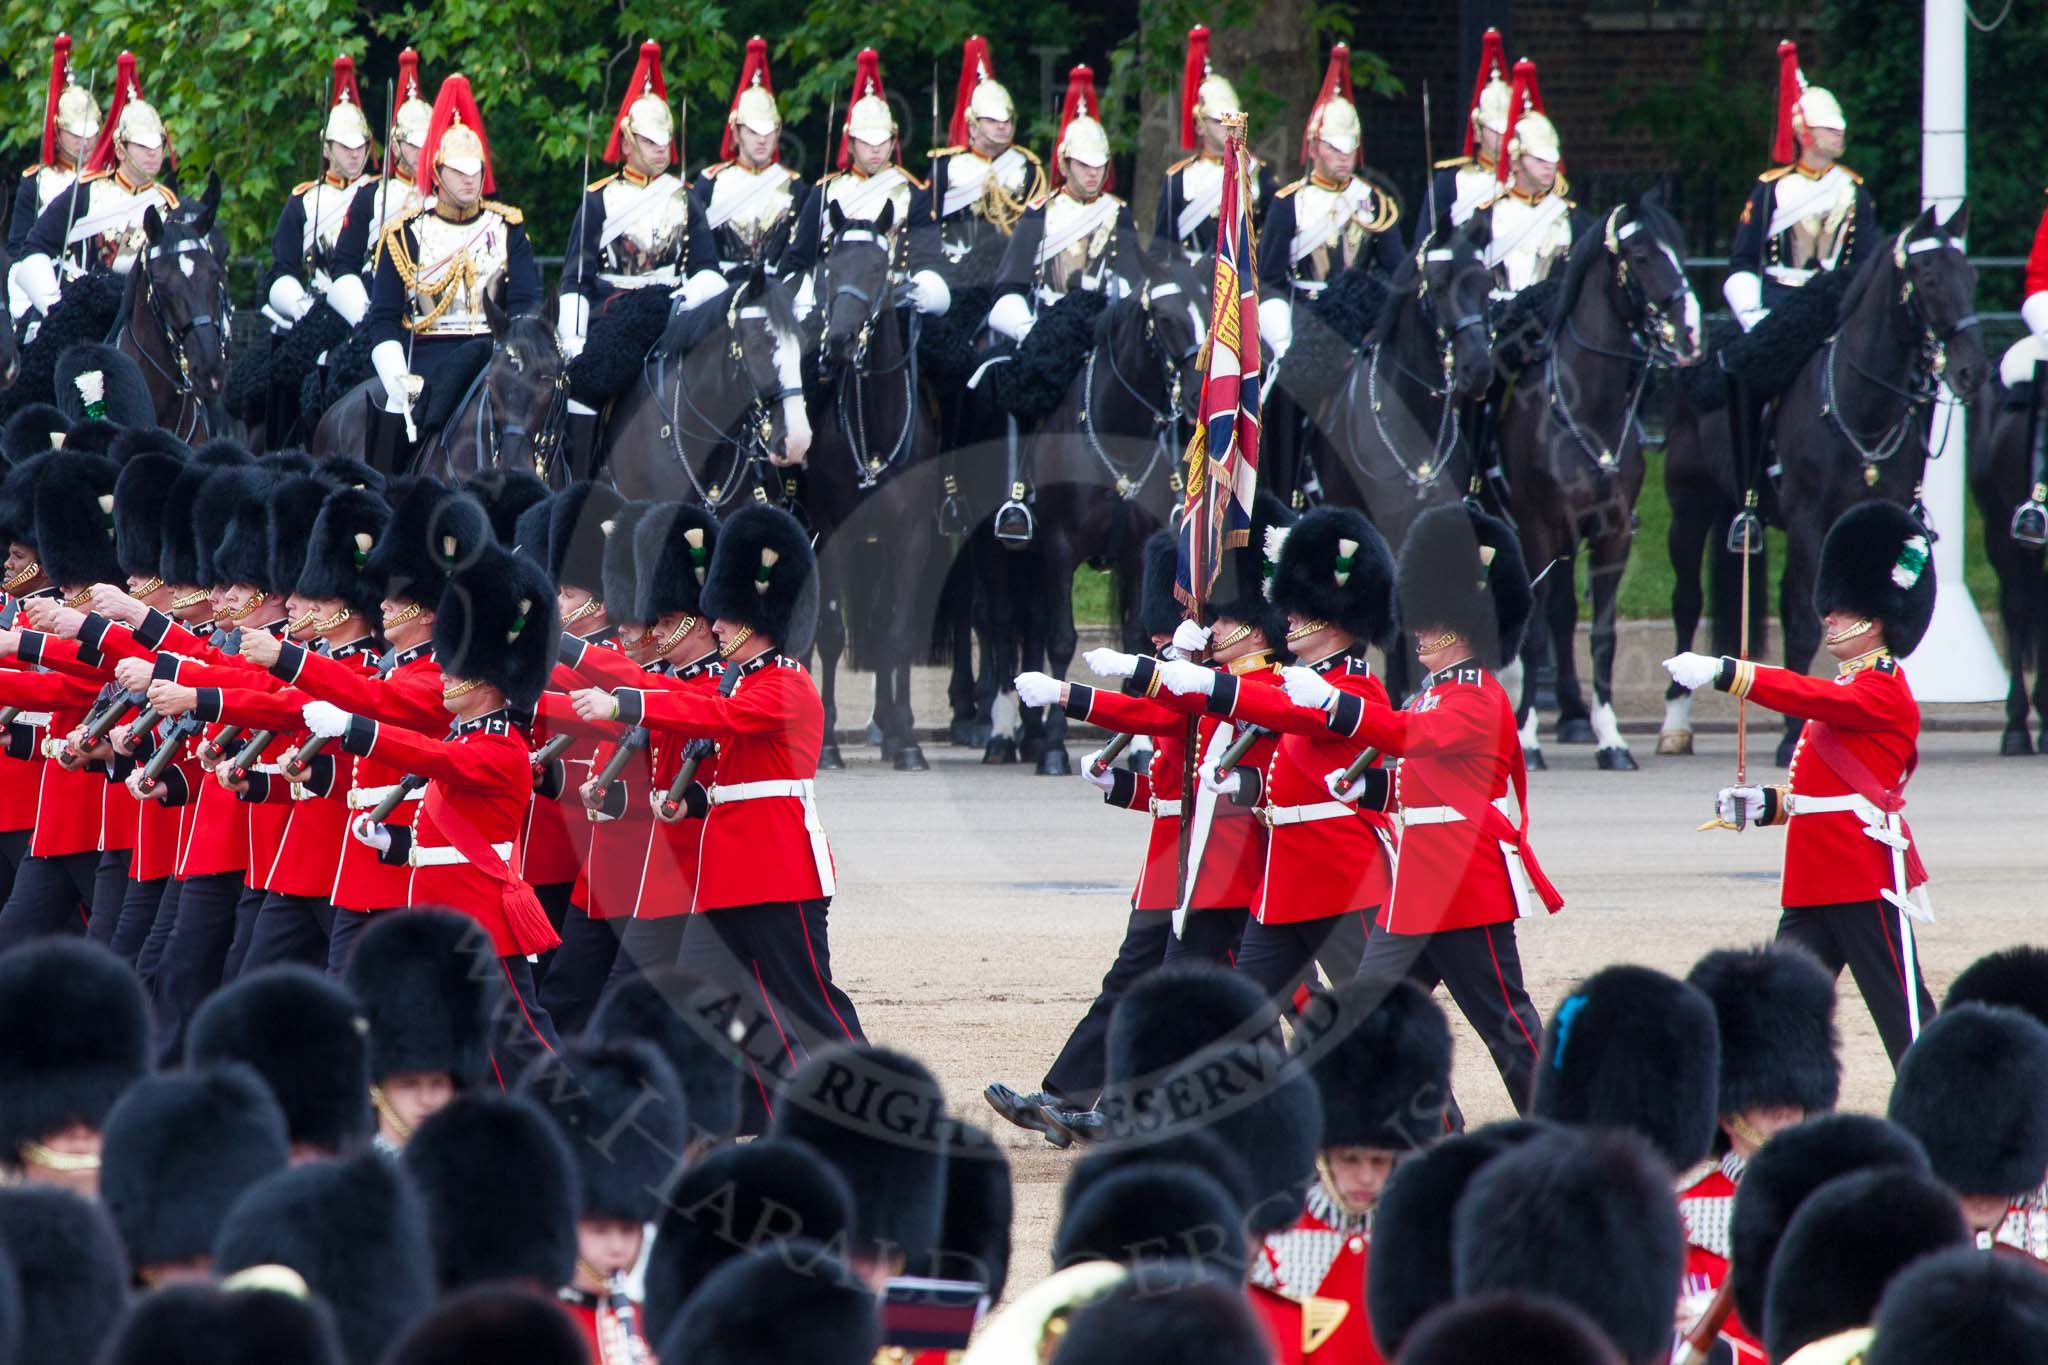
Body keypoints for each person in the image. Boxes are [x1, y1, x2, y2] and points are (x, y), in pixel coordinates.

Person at [566, 505, 865, 1128]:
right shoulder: (737, 680)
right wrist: (688, 796)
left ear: (757, 618)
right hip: (728, 874)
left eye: (726, 616)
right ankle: (728, 1121)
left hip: (781, 872)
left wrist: (624, 700)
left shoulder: (785, 683)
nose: (717, 626)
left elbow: (714, 719)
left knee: (808, 1001)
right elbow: (703, 726)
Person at [987, 528, 1267, 1148]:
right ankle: (1070, 1097)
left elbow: (1157, 719)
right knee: (1136, 980)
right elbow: (1173, 791)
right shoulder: (1202, 678)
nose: (1168, 642)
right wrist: (1118, 786)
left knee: (1250, 998)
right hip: (1177, 862)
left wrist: (1072, 695)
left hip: (1221, 867)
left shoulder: (1233, 684)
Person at [1300, 503, 1557, 1111]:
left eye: (1428, 622)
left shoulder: (1478, 697)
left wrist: (1336, 708)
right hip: (1416, 888)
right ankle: (1434, 1135)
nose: (1415, 633)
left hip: (1465, 886)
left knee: (1507, 1028)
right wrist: (1369, 791)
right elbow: (1423, 785)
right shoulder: (1431, 694)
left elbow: (1409, 740)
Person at [1662, 500, 1938, 1065]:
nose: (1829, 616)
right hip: (1813, 882)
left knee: (1906, 1021)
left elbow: (1808, 696)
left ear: (1879, 615)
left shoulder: (1881, 688)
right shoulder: (1848, 687)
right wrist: (1764, 804)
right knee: (1773, 1013)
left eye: (1843, 608)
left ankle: (1962, 1125)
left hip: (1863, 876)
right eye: (1830, 607)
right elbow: (1828, 795)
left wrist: (1726, 672)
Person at [307, 540, 564, 1070]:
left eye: (455, 669)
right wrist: (396, 844)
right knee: (460, 1049)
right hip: (443, 919)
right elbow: (449, 834)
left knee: (520, 1050)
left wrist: (357, 730)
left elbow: (428, 758)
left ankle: (577, 1127)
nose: (443, 677)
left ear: (490, 682)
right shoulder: (469, 741)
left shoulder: (500, 750)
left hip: (482, 922)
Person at [1150, 504, 1399, 999]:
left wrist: (1205, 682)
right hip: (1285, 879)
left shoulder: (1355, 687)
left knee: (1374, 1013)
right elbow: (1280, 763)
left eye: (1300, 610)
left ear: (1332, 618)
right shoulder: (1304, 682)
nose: (1288, 617)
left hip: (1342, 875)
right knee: (1244, 1008)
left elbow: (1283, 714)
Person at [1257, 979, 1455, 1365]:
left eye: (1379, 1161)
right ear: (1323, 1153)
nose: (1366, 1177)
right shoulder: (1273, 1243)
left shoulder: (1425, 1238)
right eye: (1351, 1159)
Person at [1676, 943, 1842, 1364]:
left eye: (1792, 1095)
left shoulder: (1842, 1199)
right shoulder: (1683, 1216)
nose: (1785, 1106)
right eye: (1766, 1099)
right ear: (1728, 1114)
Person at [366, 74, 540, 470]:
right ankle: (384, 498)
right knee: (392, 409)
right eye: (458, 170)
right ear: (437, 171)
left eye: (475, 169)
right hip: (427, 360)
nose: (468, 178)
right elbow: (383, 319)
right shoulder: (404, 233)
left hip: (496, 356)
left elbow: (527, 302)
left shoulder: (507, 226)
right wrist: (398, 375)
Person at [15, 52, 181, 332]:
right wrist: (55, 308)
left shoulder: (168, 202)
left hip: (151, 317)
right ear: (120, 149)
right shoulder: (88, 191)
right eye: (142, 146)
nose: (153, 155)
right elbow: (35, 246)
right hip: (90, 313)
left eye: (158, 145)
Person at [1256, 43, 1403, 359]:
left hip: (1362, 319)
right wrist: (1286, 332)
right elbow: (1269, 279)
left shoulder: (1373, 201)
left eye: (1349, 148)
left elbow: (1396, 270)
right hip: (1305, 316)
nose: (1343, 156)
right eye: (1334, 148)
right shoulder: (1288, 203)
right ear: (1313, 148)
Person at [783, 46, 948, 324]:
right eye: (866, 142)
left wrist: (927, 287)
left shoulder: (912, 193)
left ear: (894, 142)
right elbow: (799, 258)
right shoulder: (824, 192)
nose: (875, 150)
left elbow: (928, 258)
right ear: (850, 144)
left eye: (882, 141)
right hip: (831, 306)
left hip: (896, 306)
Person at [987, 66, 1144, 347]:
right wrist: (1029, 332)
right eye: (1084, 165)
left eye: (1100, 165)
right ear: (1064, 163)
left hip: (1103, 330)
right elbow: (1010, 285)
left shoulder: (1118, 213)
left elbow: (1133, 281)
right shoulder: (1039, 213)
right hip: (1048, 327)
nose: (1093, 173)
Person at [1723, 41, 1873, 332]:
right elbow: (1743, 259)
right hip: (1778, 305)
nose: (1839, 135)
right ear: (1805, 131)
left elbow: (1864, 262)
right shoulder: (1770, 189)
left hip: (1835, 307)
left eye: (1840, 128)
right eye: (1828, 129)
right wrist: (1752, 316)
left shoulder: (1854, 191)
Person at [915, 36, 1045, 276]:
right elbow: (926, 226)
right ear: (973, 127)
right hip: (954, 273)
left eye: (1007, 120)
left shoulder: (1028, 169)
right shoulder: (946, 167)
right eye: (992, 121)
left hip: (1008, 273)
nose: (1002, 127)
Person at [327, 48, 433, 327]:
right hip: (377, 303)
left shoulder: (446, 195)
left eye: (428, 143)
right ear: (396, 145)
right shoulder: (371, 196)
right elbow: (345, 264)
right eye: (413, 144)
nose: (421, 152)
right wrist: (365, 316)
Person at [692, 37, 810, 284]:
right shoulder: (710, 182)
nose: (762, 140)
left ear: (778, 133)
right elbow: (698, 247)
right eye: (753, 132)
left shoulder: (794, 185)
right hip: (721, 285)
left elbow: (800, 247)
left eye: (769, 133)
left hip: (778, 287)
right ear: (736, 133)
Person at [1468, 59, 1585, 304]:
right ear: (1516, 160)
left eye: (1551, 159)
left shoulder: (1571, 218)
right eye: (1538, 159)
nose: (1548, 167)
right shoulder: (1486, 218)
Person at [1156, 26, 1272, 265]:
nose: (1229, 127)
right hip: (1192, 288)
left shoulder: (1260, 173)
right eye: (1219, 121)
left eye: (1234, 120)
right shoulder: (1177, 180)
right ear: (1199, 125)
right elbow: (1161, 251)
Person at [8, 35, 100, 299]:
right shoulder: (36, 181)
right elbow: (18, 249)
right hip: (50, 286)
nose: (85, 142)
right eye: (76, 135)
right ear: (58, 132)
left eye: (91, 134)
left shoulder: (106, 180)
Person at [1419, 27, 1510, 240]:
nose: (1505, 138)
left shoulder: (1533, 183)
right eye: (1496, 131)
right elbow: (1425, 246)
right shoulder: (1451, 181)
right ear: (1477, 131)